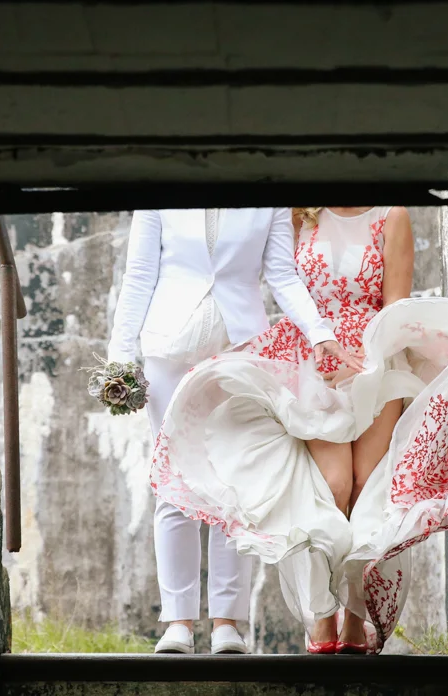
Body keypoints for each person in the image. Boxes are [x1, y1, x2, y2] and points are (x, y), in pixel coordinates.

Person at [150, 206, 448, 653]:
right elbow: (284, 285)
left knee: (366, 489)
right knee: (332, 486)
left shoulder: (392, 216)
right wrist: (320, 347)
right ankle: (321, 615)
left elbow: (396, 312)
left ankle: (355, 621)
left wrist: (365, 362)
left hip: (376, 367)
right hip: (312, 364)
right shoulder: (298, 216)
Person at [107, 207, 361, 655]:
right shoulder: (158, 193)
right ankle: (178, 622)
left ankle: (227, 624)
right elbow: (140, 275)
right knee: (174, 486)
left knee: (235, 486)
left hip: (241, 348)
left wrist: (319, 333)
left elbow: (282, 275)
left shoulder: (268, 200)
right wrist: (120, 357)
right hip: (168, 348)